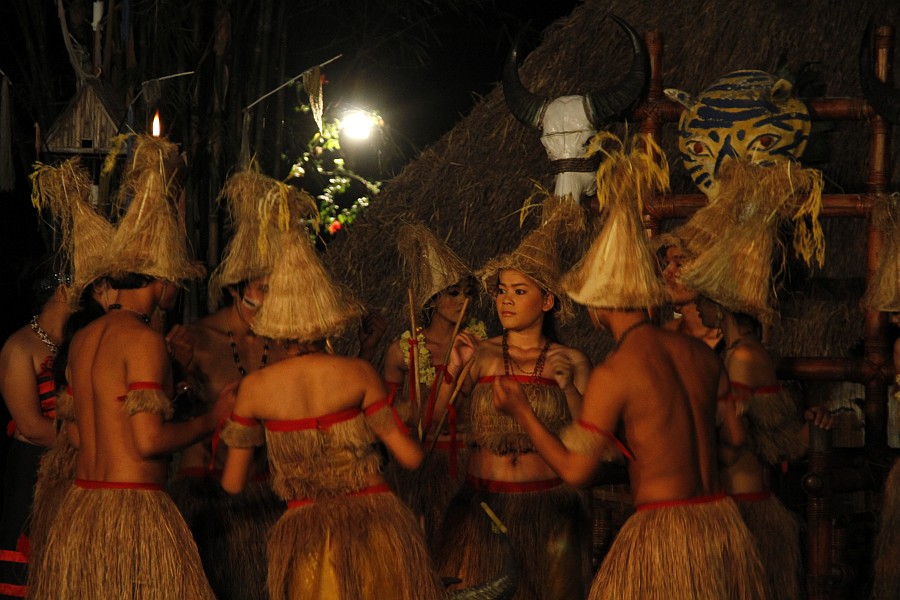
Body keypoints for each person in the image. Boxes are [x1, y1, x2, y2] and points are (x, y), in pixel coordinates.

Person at [493, 133, 767, 599]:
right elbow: (736, 441)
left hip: (664, 533)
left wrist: (521, 412)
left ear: (599, 306)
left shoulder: (616, 372)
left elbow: (577, 472)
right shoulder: (701, 354)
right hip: (720, 526)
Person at [30, 134, 221, 599]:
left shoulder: (83, 339)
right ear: (161, 279)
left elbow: (77, 435)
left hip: (84, 511)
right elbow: (148, 440)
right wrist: (214, 417)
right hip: (134, 512)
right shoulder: (143, 340)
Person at [220, 221, 447, 600]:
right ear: (325, 316)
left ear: (274, 322)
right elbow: (410, 458)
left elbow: (232, 484)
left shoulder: (254, 390)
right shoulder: (357, 373)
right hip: (376, 525)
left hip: (307, 537)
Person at [434, 198, 593, 600]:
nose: (505, 300)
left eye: (519, 291)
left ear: (547, 301)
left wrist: (569, 389)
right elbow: (434, 422)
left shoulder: (570, 361)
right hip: (482, 509)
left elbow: (590, 442)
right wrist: (453, 369)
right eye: (502, 291)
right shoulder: (480, 353)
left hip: (549, 511)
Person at [694, 294, 833, 600]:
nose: (697, 306)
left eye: (703, 299)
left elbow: (738, 443)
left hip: (744, 508)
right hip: (739, 505)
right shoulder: (734, 352)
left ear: (722, 306)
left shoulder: (743, 357)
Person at [382, 222, 481, 546]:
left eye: (468, 292)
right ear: (432, 300)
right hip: (418, 464)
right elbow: (386, 414)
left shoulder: (478, 347)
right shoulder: (402, 351)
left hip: (467, 463)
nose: (462, 300)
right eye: (453, 292)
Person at [0, 269, 69, 599]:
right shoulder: (20, 346)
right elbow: (30, 426)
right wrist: (94, 438)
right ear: (62, 290)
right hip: (34, 472)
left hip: (75, 470)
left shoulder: (80, 341)